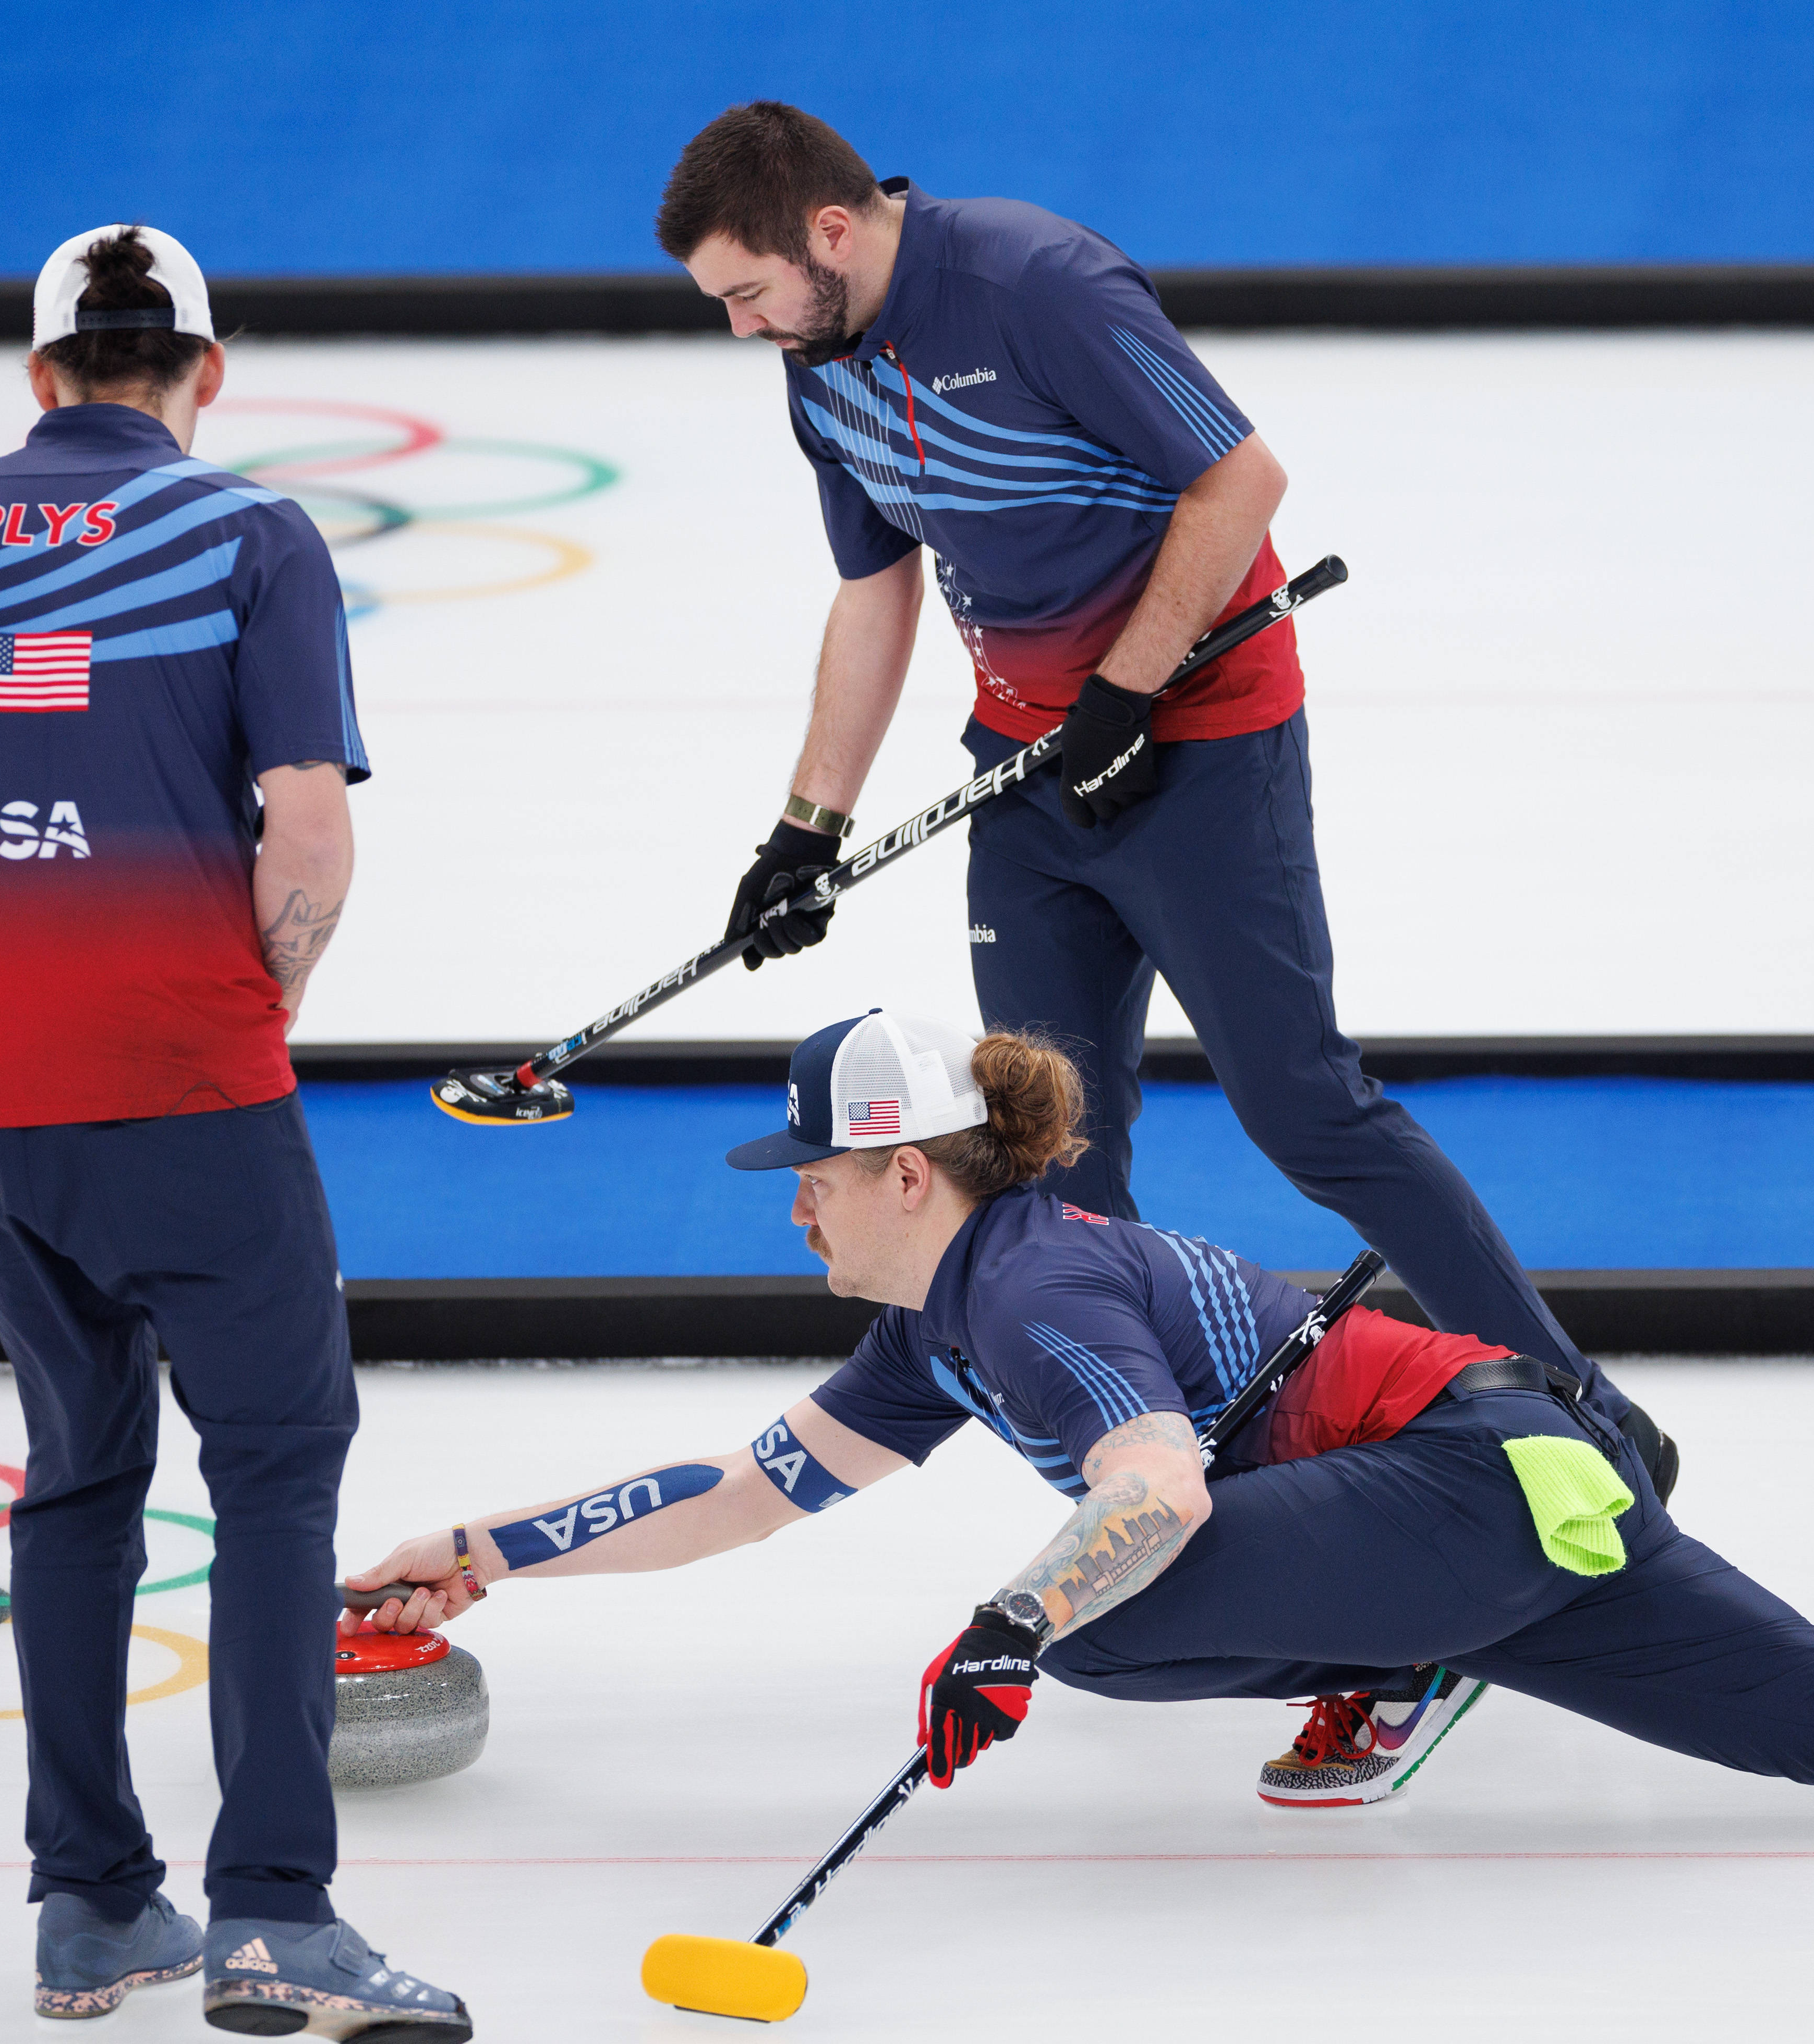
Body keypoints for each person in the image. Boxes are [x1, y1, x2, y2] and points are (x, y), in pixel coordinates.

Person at [342, 1011, 1814, 1826]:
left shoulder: (1030, 1282)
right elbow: (749, 1492)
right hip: (1506, 1496)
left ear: (907, 1169)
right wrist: (484, 1546)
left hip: (1478, 1478)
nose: (795, 1203)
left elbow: (1156, 1484)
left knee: (1105, 1624)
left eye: (809, 1171)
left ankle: (1410, 1650)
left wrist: (1011, 1624)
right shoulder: (940, 1317)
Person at [650, 105, 1682, 1503]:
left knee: (1304, 1107)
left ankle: (1587, 1417)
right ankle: (1154, 1487)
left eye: (745, 292)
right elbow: (875, 584)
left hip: (1202, 747)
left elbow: (1241, 477)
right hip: (1026, 774)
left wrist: (1131, 692)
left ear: (828, 233)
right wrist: (806, 829)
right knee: (1051, 1152)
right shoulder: (820, 359)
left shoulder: (1036, 283)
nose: (740, 329)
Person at [0, 223, 467, 2038]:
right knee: (271, 1470)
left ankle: (93, 1905)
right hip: (187, 1088)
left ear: (42, 376)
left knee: (79, 1476)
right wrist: (246, 1011)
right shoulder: (252, 537)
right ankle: (275, 1916)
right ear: (204, 369)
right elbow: (309, 840)